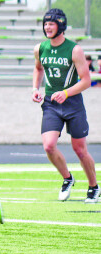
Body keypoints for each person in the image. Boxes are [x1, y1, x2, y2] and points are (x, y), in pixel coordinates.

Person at [32, 8, 99, 203]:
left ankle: (94, 187)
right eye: (45, 24)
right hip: (51, 103)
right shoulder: (40, 48)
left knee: (79, 150)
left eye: (51, 23)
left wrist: (67, 92)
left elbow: (86, 81)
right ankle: (67, 178)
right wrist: (35, 88)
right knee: (49, 145)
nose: (47, 27)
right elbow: (38, 69)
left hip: (73, 103)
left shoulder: (74, 49)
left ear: (61, 25)